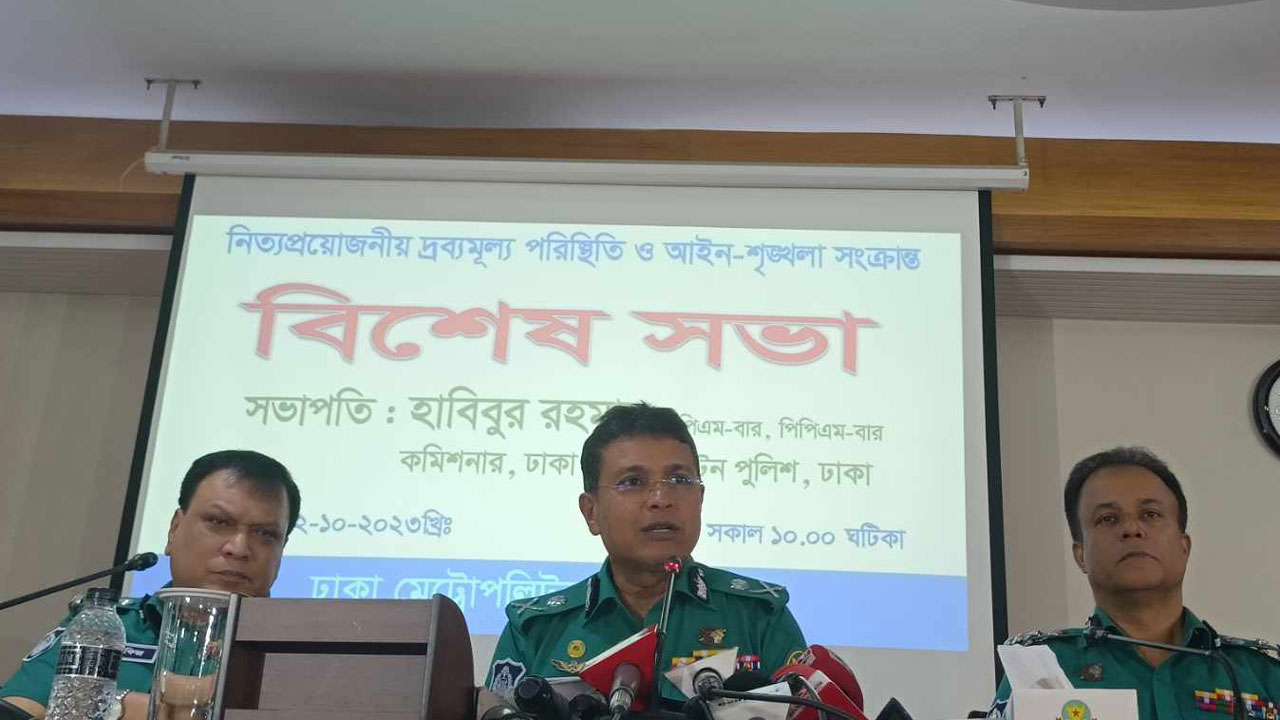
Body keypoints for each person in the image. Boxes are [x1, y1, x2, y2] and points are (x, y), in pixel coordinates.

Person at [484, 403, 807, 705]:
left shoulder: (758, 617)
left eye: (679, 479)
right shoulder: (536, 629)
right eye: (632, 481)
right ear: (591, 512)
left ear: (700, 499)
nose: (661, 498)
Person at [1, 450, 301, 720]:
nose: (239, 548)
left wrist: (100, 706)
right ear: (174, 529)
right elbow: (18, 709)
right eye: (219, 522)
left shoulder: (299, 650)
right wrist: (123, 706)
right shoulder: (104, 627)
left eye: (265, 534)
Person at [990, 447, 1280, 720]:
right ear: (1081, 555)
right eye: (1108, 519)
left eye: (1150, 514)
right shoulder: (1040, 671)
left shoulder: (1260, 672)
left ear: (1184, 547)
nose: (1131, 528)